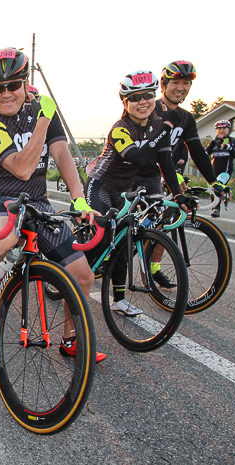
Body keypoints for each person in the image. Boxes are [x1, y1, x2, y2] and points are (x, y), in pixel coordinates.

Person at [0, 47, 106, 362]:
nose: (6, 93)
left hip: (37, 201)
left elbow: (61, 155)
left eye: (13, 85)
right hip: (2, 195)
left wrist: (79, 199)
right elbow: (22, 167)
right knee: (4, 238)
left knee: (83, 276)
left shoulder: (43, 113)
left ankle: (71, 340)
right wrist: (43, 120)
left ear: (24, 83)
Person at [85, 70, 191, 310]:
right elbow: (140, 157)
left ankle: (119, 300)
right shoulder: (119, 128)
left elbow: (165, 163)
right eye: (135, 98)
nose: (142, 101)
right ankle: (73, 274)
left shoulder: (156, 125)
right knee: (105, 239)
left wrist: (179, 195)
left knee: (125, 238)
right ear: (125, 103)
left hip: (125, 189)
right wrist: (165, 127)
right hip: (101, 185)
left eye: (148, 95)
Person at [133, 60, 225, 198]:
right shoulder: (148, 110)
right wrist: (173, 174)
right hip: (128, 174)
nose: (181, 88)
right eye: (175, 82)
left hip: (156, 177)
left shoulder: (186, 118)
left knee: (172, 213)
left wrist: (213, 182)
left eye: (186, 83)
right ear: (163, 85)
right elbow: (145, 150)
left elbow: (197, 152)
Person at [206, 120, 235, 218]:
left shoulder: (233, 141)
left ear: (229, 130)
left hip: (225, 171)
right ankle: (224, 193)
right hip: (213, 171)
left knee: (218, 185)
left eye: (224, 129)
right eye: (219, 129)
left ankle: (216, 209)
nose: (221, 131)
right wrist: (211, 144)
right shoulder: (213, 142)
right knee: (212, 190)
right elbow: (204, 155)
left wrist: (229, 148)